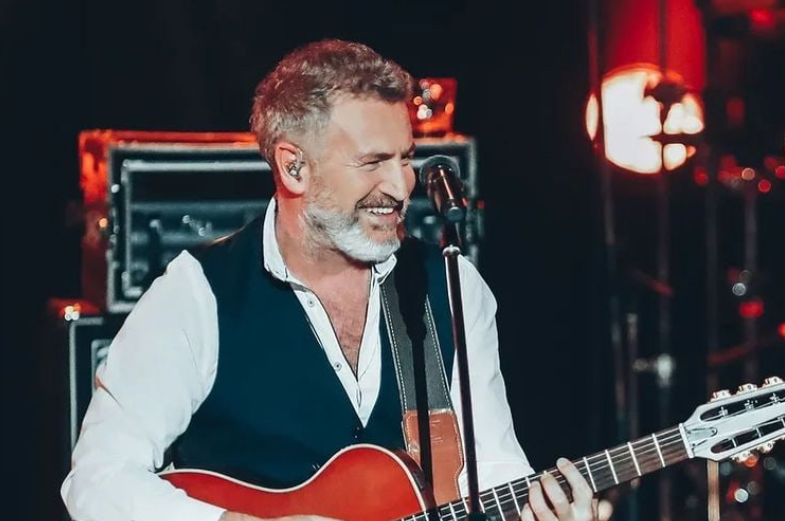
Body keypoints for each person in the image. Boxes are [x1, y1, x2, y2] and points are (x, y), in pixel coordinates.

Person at [61, 38, 597, 521]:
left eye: (405, 158)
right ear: (294, 168)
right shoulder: (197, 294)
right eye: (373, 162)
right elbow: (97, 480)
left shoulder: (452, 285)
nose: (401, 185)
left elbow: (494, 473)